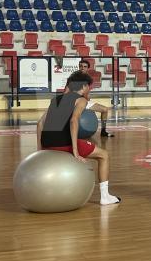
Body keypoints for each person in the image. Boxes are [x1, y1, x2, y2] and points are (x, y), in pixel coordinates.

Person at [37, 71, 121, 205]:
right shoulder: (81, 100)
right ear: (84, 86)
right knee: (104, 155)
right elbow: (74, 121)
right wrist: (75, 151)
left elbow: (40, 123)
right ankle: (105, 197)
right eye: (89, 86)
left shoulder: (55, 99)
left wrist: (40, 149)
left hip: (47, 143)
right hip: (63, 144)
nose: (89, 89)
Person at [77, 59, 114, 137]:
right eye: (81, 66)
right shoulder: (74, 77)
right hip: (75, 102)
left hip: (85, 101)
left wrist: (88, 102)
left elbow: (86, 94)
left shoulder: (87, 78)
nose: (82, 68)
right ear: (78, 67)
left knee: (105, 109)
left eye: (85, 67)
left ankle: (103, 131)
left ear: (87, 68)